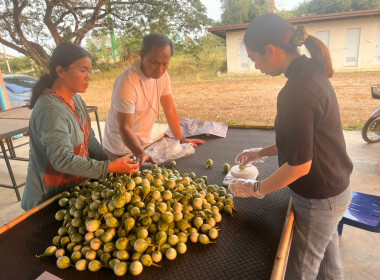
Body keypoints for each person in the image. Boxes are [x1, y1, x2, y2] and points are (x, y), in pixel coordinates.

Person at [228, 14, 353, 280]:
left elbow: (300, 164)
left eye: (255, 59)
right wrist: (260, 153)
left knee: (300, 271)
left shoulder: (297, 90)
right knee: (328, 268)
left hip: (320, 199)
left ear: (271, 51)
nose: (256, 66)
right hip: (335, 191)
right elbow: (302, 141)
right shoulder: (309, 73)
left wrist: (255, 189)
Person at [21, 43, 139, 211]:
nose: (88, 77)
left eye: (89, 71)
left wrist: (110, 163)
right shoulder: (51, 109)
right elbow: (61, 160)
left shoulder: (76, 100)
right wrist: (109, 167)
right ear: (60, 71)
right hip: (48, 199)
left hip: (72, 190)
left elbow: (88, 139)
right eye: (82, 70)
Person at [102, 33, 204, 165]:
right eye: (155, 63)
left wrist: (181, 139)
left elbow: (170, 110)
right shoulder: (127, 83)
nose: (160, 70)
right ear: (142, 55)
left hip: (143, 144)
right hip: (120, 148)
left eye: (165, 64)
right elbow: (125, 128)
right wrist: (140, 153)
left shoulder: (163, 75)